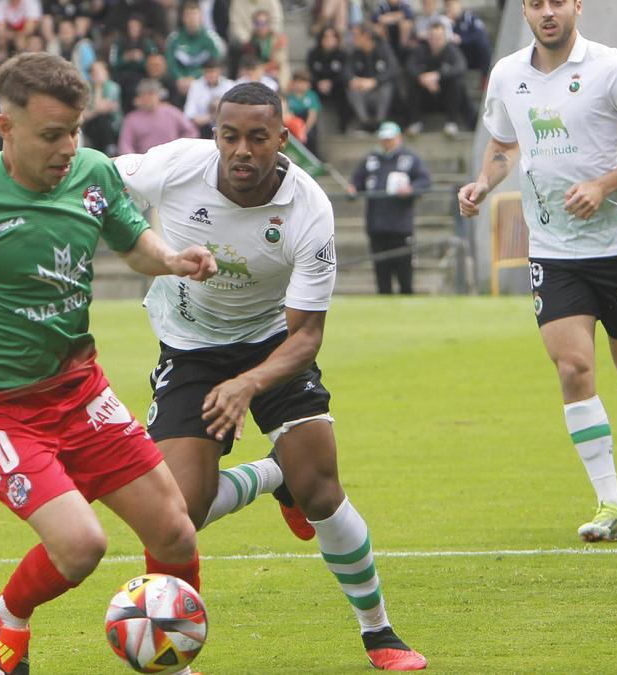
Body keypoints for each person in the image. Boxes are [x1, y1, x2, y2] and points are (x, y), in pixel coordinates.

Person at [0, 52, 216, 675]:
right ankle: (6, 614)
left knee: (175, 531)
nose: (68, 147)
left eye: (75, 131)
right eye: (51, 135)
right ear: (6, 127)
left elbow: (132, 241)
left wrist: (172, 259)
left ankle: (169, 660)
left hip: (79, 391)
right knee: (82, 545)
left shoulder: (92, 175)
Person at [114, 82, 428, 672]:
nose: (242, 150)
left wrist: (248, 384)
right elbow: (98, 178)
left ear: (283, 138)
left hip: (274, 342)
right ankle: (269, 475)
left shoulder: (309, 207)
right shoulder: (175, 167)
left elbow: (306, 335)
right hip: (191, 347)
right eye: (230, 136)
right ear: (215, 135)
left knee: (321, 490)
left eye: (258, 138)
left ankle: (378, 632)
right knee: (179, 514)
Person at [459, 0, 617, 542]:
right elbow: (503, 141)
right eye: (536, 3)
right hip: (554, 249)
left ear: (576, 6)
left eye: (557, 1)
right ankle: (612, 505)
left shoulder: (610, 66)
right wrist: (483, 183)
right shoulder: (508, 74)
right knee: (572, 369)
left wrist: (604, 185)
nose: (548, 12)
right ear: (524, 10)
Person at [348, 121, 431, 294]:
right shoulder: (371, 159)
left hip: (401, 225)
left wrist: (411, 189)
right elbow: (357, 181)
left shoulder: (410, 158)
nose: (387, 142)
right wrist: (353, 188)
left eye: (390, 139)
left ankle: (406, 297)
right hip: (376, 224)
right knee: (381, 271)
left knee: (404, 271)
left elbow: (425, 181)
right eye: (384, 139)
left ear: (398, 138)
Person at [405, 19, 472, 136]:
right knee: (411, 82)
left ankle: (451, 123)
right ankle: (415, 122)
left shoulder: (452, 50)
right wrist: (423, 79)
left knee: (457, 82)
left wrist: (438, 76)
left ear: (444, 37)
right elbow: (410, 66)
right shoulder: (420, 50)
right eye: (432, 36)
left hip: (445, 97)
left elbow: (461, 66)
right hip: (425, 97)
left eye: (438, 37)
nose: (435, 40)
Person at [117, 78, 197, 155]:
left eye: (151, 94)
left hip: (171, 158)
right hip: (144, 161)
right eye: (144, 95)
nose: (147, 98)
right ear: (139, 97)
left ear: (158, 95)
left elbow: (191, 131)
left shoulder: (171, 112)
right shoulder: (131, 119)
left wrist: (179, 148)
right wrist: (134, 161)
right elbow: (125, 144)